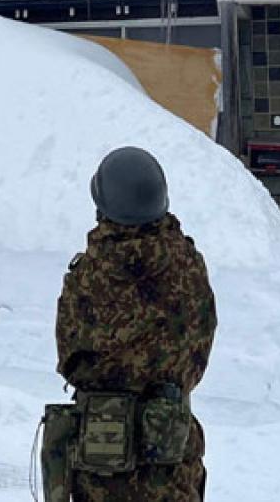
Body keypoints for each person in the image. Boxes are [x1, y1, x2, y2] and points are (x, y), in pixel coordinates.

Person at [51, 147, 215, 502]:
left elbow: (71, 360)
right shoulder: (188, 266)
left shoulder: (90, 275)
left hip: (102, 463)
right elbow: (200, 347)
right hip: (171, 458)